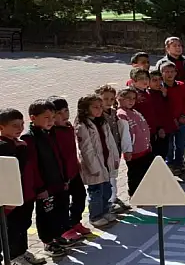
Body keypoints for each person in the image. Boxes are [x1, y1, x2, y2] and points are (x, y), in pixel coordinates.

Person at [21, 99, 74, 256]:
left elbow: (59, 157)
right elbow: (33, 167)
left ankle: (57, 236)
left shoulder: (51, 133)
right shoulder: (29, 139)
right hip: (45, 187)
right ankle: (47, 242)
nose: (51, 121)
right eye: (46, 117)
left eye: (53, 117)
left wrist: (65, 178)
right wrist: (40, 188)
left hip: (57, 182)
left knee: (60, 211)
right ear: (33, 118)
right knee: (46, 214)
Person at [0, 108, 46, 265]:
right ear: (1, 127)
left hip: (26, 194)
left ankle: (21, 251)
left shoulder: (19, 144)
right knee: (13, 228)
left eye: (21, 125)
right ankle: (12, 257)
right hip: (12, 199)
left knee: (24, 224)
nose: (19, 129)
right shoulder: (3, 147)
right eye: (14, 126)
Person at [74, 94, 119, 228]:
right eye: (95, 107)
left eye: (100, 107)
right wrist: (94, 168)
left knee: (107, 190)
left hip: (105, 162)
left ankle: (105, 211)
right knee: (96, 193)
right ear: (85, 109)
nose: (99, 110)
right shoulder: (83, 126)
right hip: (94, 166)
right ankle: (95, 216)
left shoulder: (102, 122)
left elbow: (110, 142)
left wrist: (115, 158)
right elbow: (86, 150)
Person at [48, 97, 87, 240]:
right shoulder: (52, 133)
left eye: (66, 111)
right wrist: (63, 177)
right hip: (62, 175)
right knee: (62, 203)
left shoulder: (69, 127)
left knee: (80, 196)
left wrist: (76, 164)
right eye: (59, 113)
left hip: (73, 171)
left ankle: (74, 221)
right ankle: (64, 229)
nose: (64, 115)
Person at [95, 85, 130, 213]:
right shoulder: (98, 116)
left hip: (116, 147)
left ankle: (114, 198)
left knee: (114, 174)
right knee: (108, 176)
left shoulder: (114, 113)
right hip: (105, 151)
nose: (108, 102)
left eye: (111, 99)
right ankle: (109, 201)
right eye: (105, 99)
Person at [116, 88, 153, 198]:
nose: (131, 101)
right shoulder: (121, 114)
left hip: (144, 149)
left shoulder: (134, 111)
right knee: (135, 174)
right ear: (120, 99)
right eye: (128, 98)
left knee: (144, 172)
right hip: (134, 151)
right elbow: (125, 135)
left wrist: (148, 143)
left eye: (133, 98)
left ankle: (143, 192)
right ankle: (134, 194)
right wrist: (127, 150)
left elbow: (143, 129)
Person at [159, 61, 185, 175]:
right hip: (168, 122)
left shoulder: (181, 85)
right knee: (169, 146)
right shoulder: (160, 89)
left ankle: (179, 163)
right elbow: (163, 106)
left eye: (172, 71)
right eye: (166, 72)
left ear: (176, 73)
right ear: (162, 73)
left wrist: (184, 115)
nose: (169, 74)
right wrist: (172, 119)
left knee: (181, 144)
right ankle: (170, 164)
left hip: (182, 121)